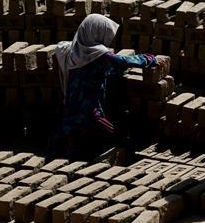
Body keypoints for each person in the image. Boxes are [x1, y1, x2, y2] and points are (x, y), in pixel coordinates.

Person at [53, 14, 160, 159]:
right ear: (96, 33)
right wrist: (148, 58)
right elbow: (123, 61)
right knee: (118, 140)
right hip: (91, 113)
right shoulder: (98, 54)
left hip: (71, 110)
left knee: (75, 143)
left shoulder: (73, 50)